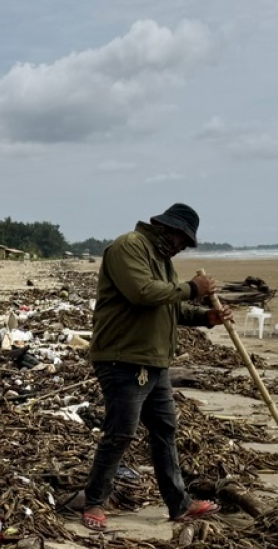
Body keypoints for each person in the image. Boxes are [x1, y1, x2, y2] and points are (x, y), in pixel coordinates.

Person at [75, 203, 232, 530]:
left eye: (187, 244)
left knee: (165, 430)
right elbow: (142, 293)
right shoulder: (129, 246)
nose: (182, 247)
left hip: (153, 360)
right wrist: (192, 289)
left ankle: (179, 504)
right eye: (182, 240)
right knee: (120, 433)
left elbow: (169, 310)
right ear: (167, 229)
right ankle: (94, 501)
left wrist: (206, 317)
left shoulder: (162, 261)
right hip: (123, 357)